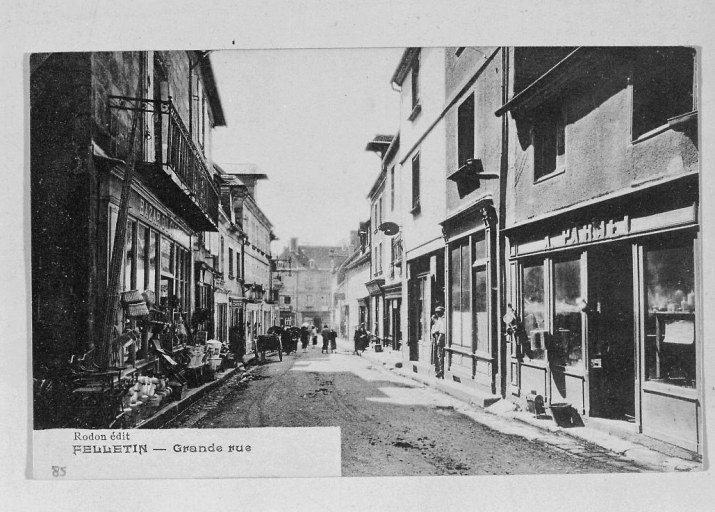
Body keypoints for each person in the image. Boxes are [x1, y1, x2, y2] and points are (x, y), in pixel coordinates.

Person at [431, 306, 446, 378]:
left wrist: (438, 340)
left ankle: (441, 370)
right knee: (438, 354)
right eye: (436, 313)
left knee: (440, 354)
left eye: (438, 313)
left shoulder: (443, 319)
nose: (437, 314)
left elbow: (442, 331)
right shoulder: (440, 319)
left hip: (441, 337)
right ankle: (439, 369)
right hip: (438, 336)